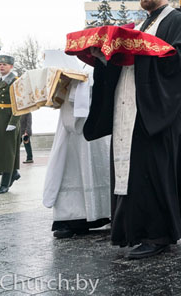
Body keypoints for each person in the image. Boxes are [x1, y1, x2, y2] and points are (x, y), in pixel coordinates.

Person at [84, 0, 181, 259]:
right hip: (129, 110)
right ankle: (131, 230)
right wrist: (105, 58)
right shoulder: (142, 25)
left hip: (156, 112)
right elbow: (128, 63)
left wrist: (140, 51)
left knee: (153, 173)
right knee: (133, 173)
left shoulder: (178, 22)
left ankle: (157, 234)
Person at [43, 69, 111, 239]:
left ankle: (106, 212)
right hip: (70, 111)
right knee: (70, 164)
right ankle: (71, 218)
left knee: (100, 159)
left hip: (98, 104)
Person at [0, 54, 21, 194]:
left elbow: (20, 104)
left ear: (11, 66)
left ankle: (5, 184)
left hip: (9, 119)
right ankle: (14, 172)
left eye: (5, 64)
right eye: (0, 64)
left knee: (8, 152)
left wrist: (13, 122)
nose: (1, 66)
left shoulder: (16, 82)